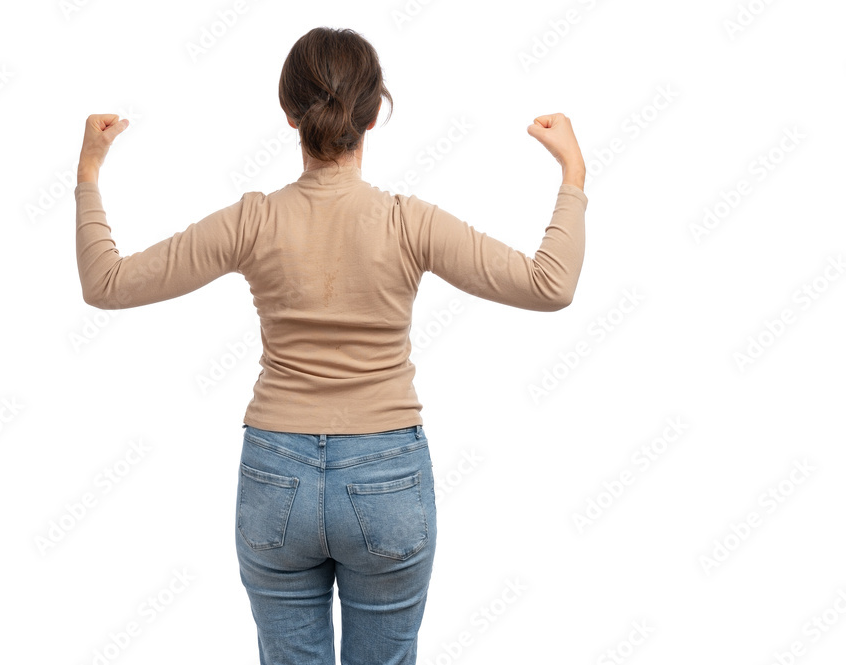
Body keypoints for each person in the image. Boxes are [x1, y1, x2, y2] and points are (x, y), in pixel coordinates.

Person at [75, 25, 587, 665]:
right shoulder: (408, 221)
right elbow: (550, 285)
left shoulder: (253, 220)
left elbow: (106, 283)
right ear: (374, 115)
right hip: (386, 475)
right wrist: (573, 172)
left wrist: (89, 170)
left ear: (289, 113)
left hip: (276, 476)